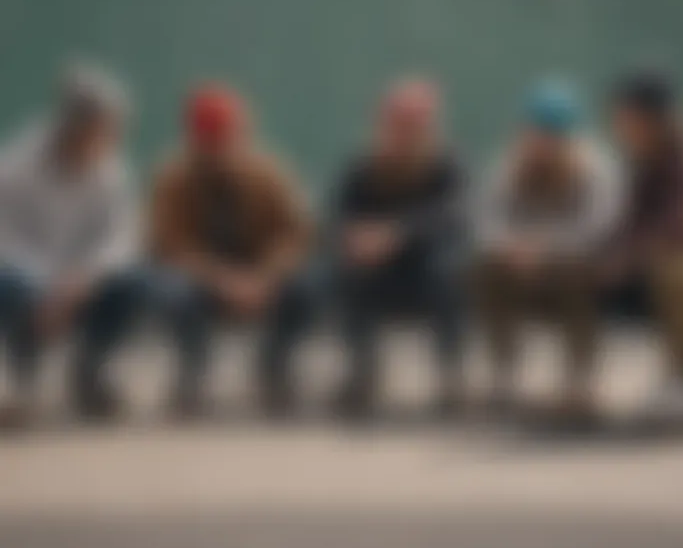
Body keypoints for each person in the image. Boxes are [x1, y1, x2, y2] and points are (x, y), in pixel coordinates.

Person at [148, 85, 313, 418]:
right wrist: (221, 279)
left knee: (310, 286)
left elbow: (297, 235)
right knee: (170, 290)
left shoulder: (269, 174)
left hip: (261, 280)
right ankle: (192, 375)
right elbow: (170, 244)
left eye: (226, 136)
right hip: (204, 283)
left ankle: (274, 369)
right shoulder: (173, 178)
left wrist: (264, 278)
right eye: (210, 138)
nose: (219, 147)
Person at [0, 62, 141, 425]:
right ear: (75, 127)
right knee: (16, 287)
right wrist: (49, 282)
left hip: (81, 280)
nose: (112, 137)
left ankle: (92, 374)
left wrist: (84, 277)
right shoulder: (16, 168)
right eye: (104, 128)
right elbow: (6, 237)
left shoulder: (111, 172)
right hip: (27, 277)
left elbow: (120, 238)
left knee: (131, 284)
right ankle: (20, 382)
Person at [477, 81, 622, 421]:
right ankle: (504, 375)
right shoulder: (510, 164)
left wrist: (545, 247)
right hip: (519, 262)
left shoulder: (596, 166)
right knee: (483, 267)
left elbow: (599, 225)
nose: (541, 141)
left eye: (551, 134)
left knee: (578, 273)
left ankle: (581, 380)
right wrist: (509, 245)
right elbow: (485, 216)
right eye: (536, 131)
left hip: (573, 266)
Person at [331, 78, 468, 419]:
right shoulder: (363, 168)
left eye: (411, 125)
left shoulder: (445, 165)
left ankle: (450, 376)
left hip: (425, 272)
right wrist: (357, 238)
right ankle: (362, 371)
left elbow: (451, 216)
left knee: (448, 271)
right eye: (396, 123)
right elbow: (340, 217)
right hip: (379, 274)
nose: (402, 133)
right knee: (343, 271)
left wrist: (398, 233)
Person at [605, 72, 683, 419]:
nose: (621, 126)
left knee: (675, 268)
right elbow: (630, 223)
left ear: (652, 117)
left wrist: (632, 254)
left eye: (628, 117)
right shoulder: (648, 162)